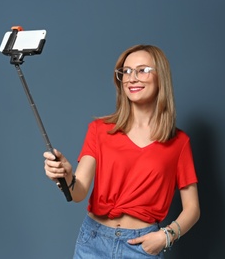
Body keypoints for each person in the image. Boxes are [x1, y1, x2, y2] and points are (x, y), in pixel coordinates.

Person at [44, 44, 200, 258]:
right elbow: (78, 192)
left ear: (160, 77)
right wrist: (65, 175)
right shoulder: (99, 130)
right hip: (93, 241)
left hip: (142, 246)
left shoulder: (179, 143)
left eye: (142, 70)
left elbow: (192, 208)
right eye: (126, 71)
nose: (131, 78)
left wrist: (166, 236)